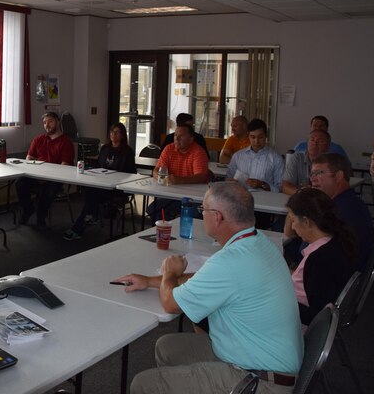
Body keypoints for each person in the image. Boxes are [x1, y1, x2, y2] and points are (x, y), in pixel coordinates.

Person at [117, 182, 303, 394]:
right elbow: (204, 279)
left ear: (217, 217)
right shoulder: (260, 242)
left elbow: (170, 304)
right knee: (167, 347)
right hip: (262, 357)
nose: (201, 215)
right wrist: (150, 281)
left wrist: (169, 272)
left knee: (143, 384)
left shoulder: (230, 261)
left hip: (259, 380)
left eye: (203, 210)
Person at [285, 188, 357, 326]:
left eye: (293, 220)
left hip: (297, 325)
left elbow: (314, 315)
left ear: (306, 221)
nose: (293, 227)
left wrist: (278, 301)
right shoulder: (334, 242)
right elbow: (310, 283)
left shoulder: (321, 260)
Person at [63, 122, 136, 240]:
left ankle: (79, 226)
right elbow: (99, 165)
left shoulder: (127, 151)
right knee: (91, 189)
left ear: (122, 135)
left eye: (117, 132)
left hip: (117, 187)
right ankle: (92, 215)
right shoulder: (105, 148)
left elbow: (130, 173)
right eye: (112, 132)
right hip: (102, 182)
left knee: (93, 193)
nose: (114, 134)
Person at [309, 153, 373, 271]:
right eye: (312, 173)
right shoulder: (352, 204)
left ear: (339, 176)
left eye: (319, 173)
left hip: (333, 280)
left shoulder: (338, 213)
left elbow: (310, 257)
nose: (312, 179)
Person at [16, 111, 75, 227]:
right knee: (20, 183)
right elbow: (29, 158)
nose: (47, 125)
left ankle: (41, 216)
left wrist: (47, 177)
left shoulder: (66, 142)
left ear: (58, 122)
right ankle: (28, 209)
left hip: (56, 178)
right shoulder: (39, 139)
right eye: (44, 123)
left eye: (50, 122)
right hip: (37, 175)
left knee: (48, 190)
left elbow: (65, 166)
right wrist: (35, 174)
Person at [148, 124, 209, 221]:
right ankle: (168, 230)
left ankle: (176, 228)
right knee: (153, 209)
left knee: (193, 214)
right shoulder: (169, 149)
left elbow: (202, 176)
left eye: (181, 136)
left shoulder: (198, 152)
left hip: (193, 197)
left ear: (191, 139)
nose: (177, 138)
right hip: (172, 193)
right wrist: (160, 177)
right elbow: (156, 170)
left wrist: (180, 180)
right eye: (175, 135)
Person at [226, 118, 284, 192]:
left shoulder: (276, 158)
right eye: (253, 137)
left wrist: (262, 185)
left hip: (266, 201)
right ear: (248, 136)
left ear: (266, 136)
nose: (256, 141)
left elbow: (280, 188)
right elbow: (228, 179)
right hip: (241, 198)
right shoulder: (238, 156)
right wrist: (231, 182)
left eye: (260, 137)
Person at [281, 129, 330, 195]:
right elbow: (285, 187)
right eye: (312, 140)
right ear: (307, 143)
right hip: (301, 199)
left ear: (328, 146)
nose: (315, 143)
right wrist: (302, 193)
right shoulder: (297, 158)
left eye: (320, 141)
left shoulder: (332, 162)